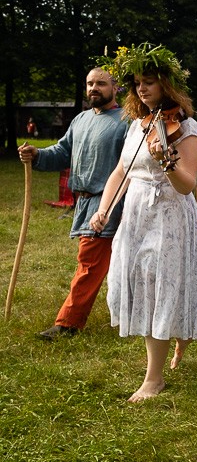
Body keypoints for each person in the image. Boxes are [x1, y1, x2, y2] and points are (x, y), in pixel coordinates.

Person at [91, 43, 197, 402]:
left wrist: (167, 162)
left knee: (161, 285)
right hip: (136, 213)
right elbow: (122, 171)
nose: (141, 89)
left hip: (169, 215)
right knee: (143, 282)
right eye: (136, 84)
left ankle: (154, 378)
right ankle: (174, 345)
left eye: (148, 82)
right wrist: (103, 209)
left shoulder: (187, 128)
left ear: (166, 84)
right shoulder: (138, 125)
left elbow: (187, 185)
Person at [19, 68, 127, 340]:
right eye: (90, 83)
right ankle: (135, 315)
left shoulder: (127, 120)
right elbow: (63, 152)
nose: (94, 88)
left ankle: (68, 323)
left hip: (111, 203)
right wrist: (38, 154)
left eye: (101, 84)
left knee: (89, 264)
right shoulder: (80, 120)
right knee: (114, 265)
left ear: (115, 88)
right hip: (84, 202)